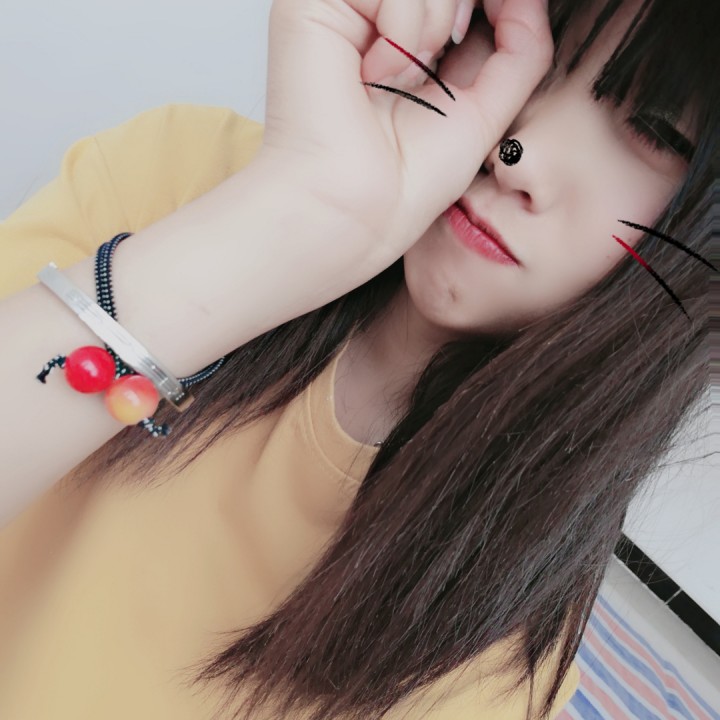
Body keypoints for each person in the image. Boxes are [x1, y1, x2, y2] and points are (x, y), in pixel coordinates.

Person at [0, 0, 716, 717]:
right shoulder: (189, 179)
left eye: (655, 130)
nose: (517, 152)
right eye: (518, 45)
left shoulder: (494, 683)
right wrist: (301, 219)